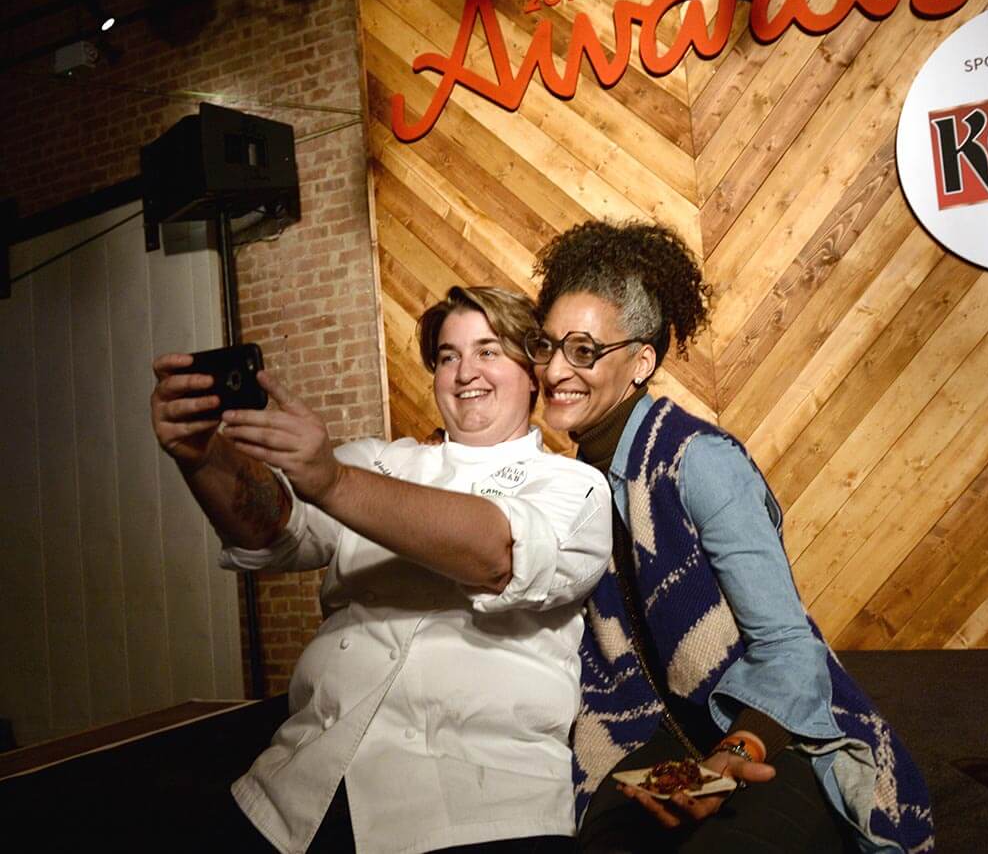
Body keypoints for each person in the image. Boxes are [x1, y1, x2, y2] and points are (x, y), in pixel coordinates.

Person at [150, 286, 611, 854]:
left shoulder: (574, 487)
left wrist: (333, 484)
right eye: (448, 356)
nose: (466, 371)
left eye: (489, 351)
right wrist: (203, 457)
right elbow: (274, 528)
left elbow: (497, 554)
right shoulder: (377, 462)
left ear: (533, 371)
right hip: (292, 794)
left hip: (481, 807)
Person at [526, 221, 933, 853]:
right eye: (545, 345)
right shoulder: (570, 483)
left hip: (769, 732)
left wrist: (734, 751)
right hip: (649, 739)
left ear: (640, 362)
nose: (555, 370)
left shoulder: (698, 460)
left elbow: (790, 649)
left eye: (582, 350)